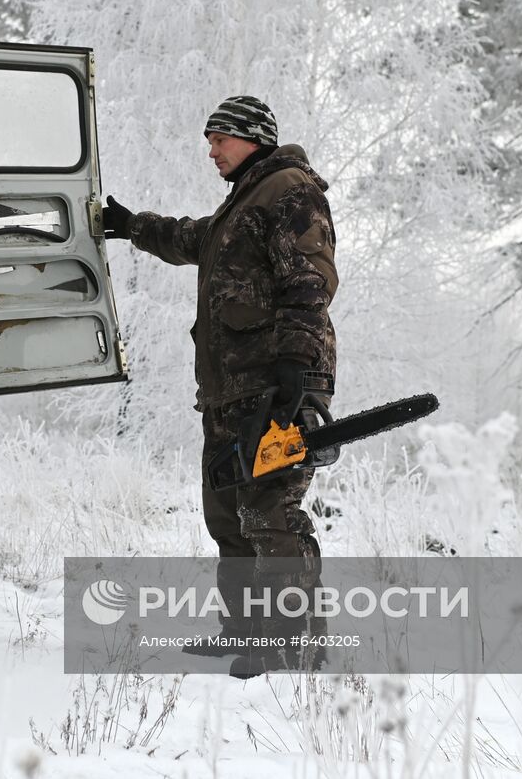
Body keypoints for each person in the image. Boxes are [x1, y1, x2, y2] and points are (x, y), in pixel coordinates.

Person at [102, 95, 338, 676]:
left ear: (253, 136)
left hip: (276, 386)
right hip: (230, 391)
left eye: (220, 139)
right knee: (229, 513)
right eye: (209, 140)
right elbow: (192, 239)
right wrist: (133, 226)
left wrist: (296, 370)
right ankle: (247, 632)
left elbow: (310, 281)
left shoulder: (288, 189)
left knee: (270, 513)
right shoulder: (241, 206)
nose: (211, 151)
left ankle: (292, 645)